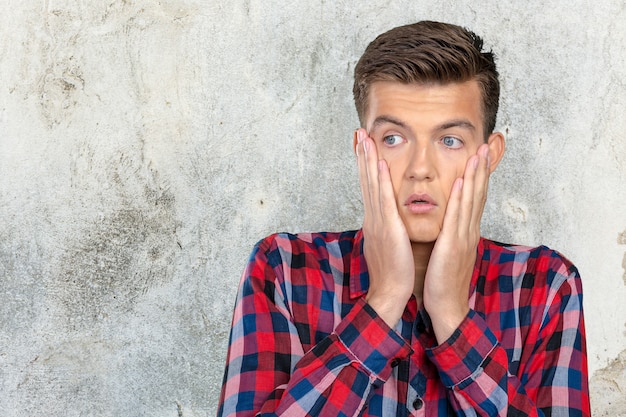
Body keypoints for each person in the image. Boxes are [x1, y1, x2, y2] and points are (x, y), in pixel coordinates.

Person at [217, 21, 590, 416]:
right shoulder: (285, 270)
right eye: (394, 138)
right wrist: (383, 300)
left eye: (450, 140)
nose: (420, 169)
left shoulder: (545, 286)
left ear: (490, 155)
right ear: (363, 149)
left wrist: (451, 314)